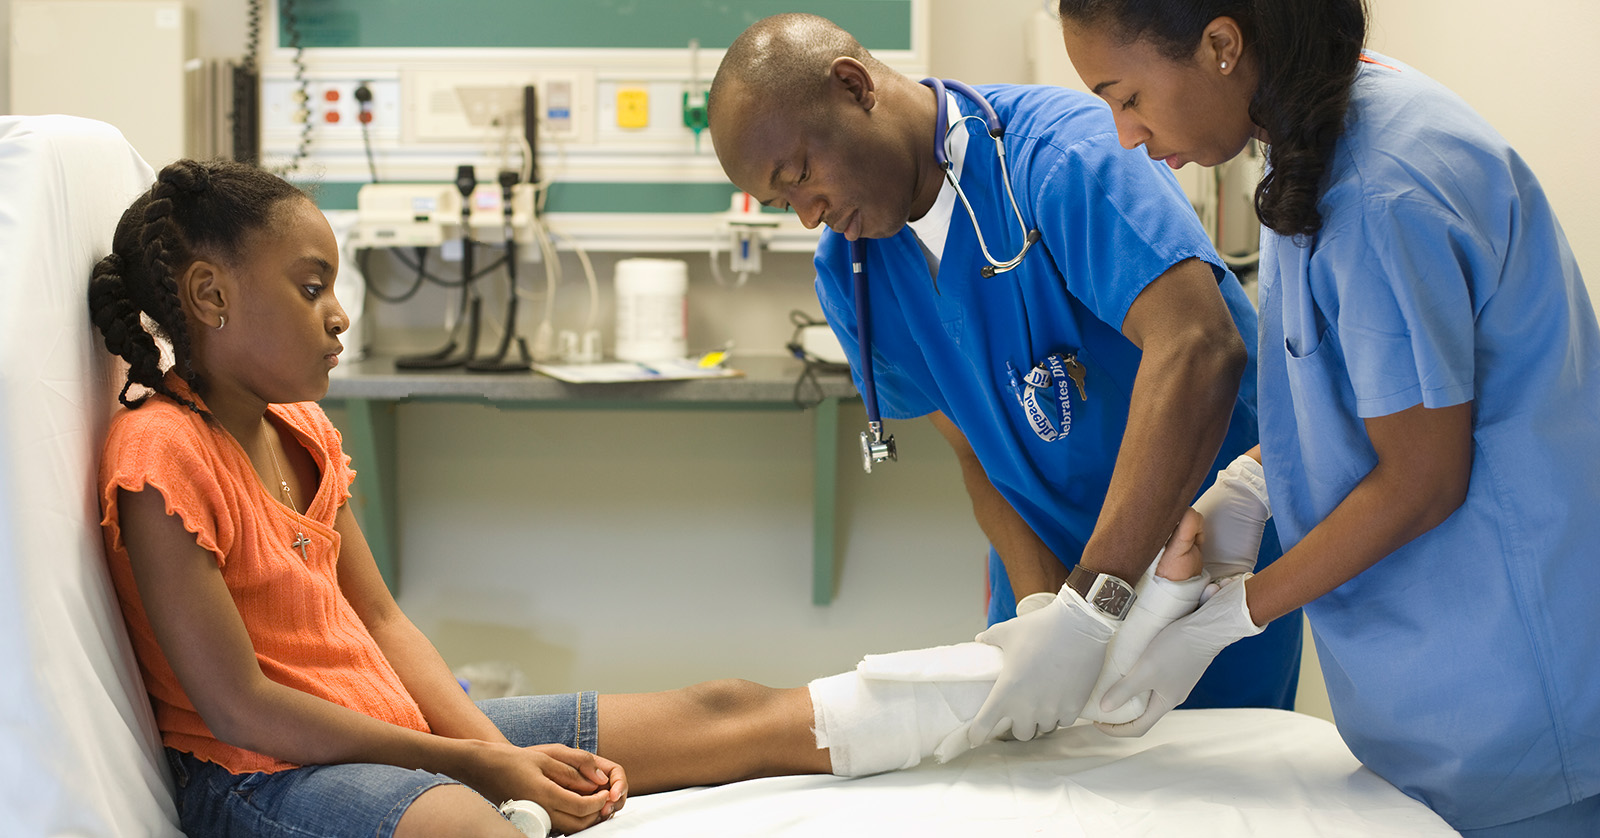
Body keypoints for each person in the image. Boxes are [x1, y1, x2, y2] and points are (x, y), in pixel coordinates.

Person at [89, 159, 833, 838]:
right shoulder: (161, 452)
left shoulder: (301, 429)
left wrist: (482, 748)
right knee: (471, 827)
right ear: (210, 295)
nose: (339, 315)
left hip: (374, 723)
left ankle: (937, 714)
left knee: (722, 711)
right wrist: (472, 765)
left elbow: (381, 620)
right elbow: (239, 707)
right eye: (312, 288)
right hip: (258, 773)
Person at [1055, 1, 1600, 834]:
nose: (1125, 135)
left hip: (1514, 701)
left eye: (1126, 97)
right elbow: (1369, 392)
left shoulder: (1382, 188)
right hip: (1432, 692)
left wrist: (1232, 618)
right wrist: (1252, 484)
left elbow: (1424, 478)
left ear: (1222, 45)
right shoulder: (1311, 140)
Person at [708, 12, 1300, 752]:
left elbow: (1199, 348)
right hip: (1054, 582)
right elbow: (977, 457)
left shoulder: (1061, 154)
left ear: (853, 86)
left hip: (1203, 565)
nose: (807, 216)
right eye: (781, 203)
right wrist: (1041, 613)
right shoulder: (850, 273)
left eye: (799, 176)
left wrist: (1095, 606)